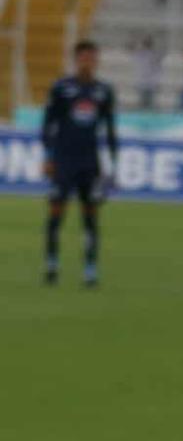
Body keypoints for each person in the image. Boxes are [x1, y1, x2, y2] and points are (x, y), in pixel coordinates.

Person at [41, 40, 118, 289]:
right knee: (56, 212)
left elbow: (110, 129)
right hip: (63, 161)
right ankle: (52, 265)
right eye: (84, 58)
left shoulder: (104, 91)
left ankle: (90, 270)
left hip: (89, 163)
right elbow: (47, 125)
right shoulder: (61, 87)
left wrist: (112, 164)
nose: (88, 63)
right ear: (76, 60)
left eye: (92, 58)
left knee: (90, 217)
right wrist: (49, 157)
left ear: (96, 62)